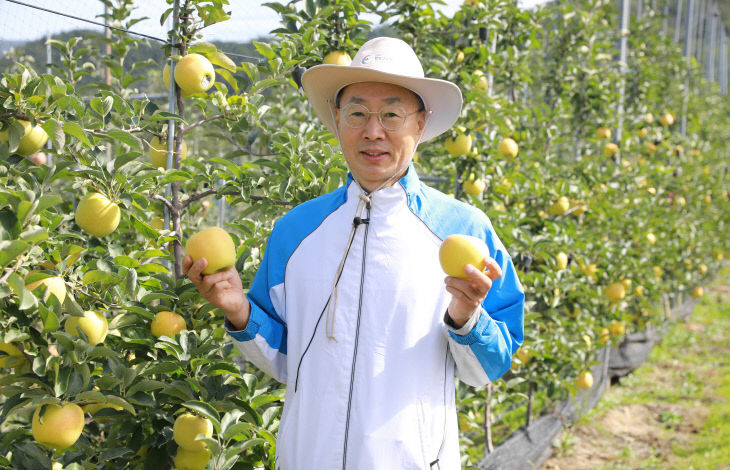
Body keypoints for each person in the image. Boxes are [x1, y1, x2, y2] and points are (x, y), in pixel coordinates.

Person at [183, 37, 524, 470]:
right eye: (358, 113)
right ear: (337, 121)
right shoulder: (296, 232)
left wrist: (466, 316)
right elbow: (289, 358)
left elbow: (489, 367)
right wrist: (240, 313)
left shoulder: (464, 231)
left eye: (392, 115)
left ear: (420, 124)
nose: (373, 131)